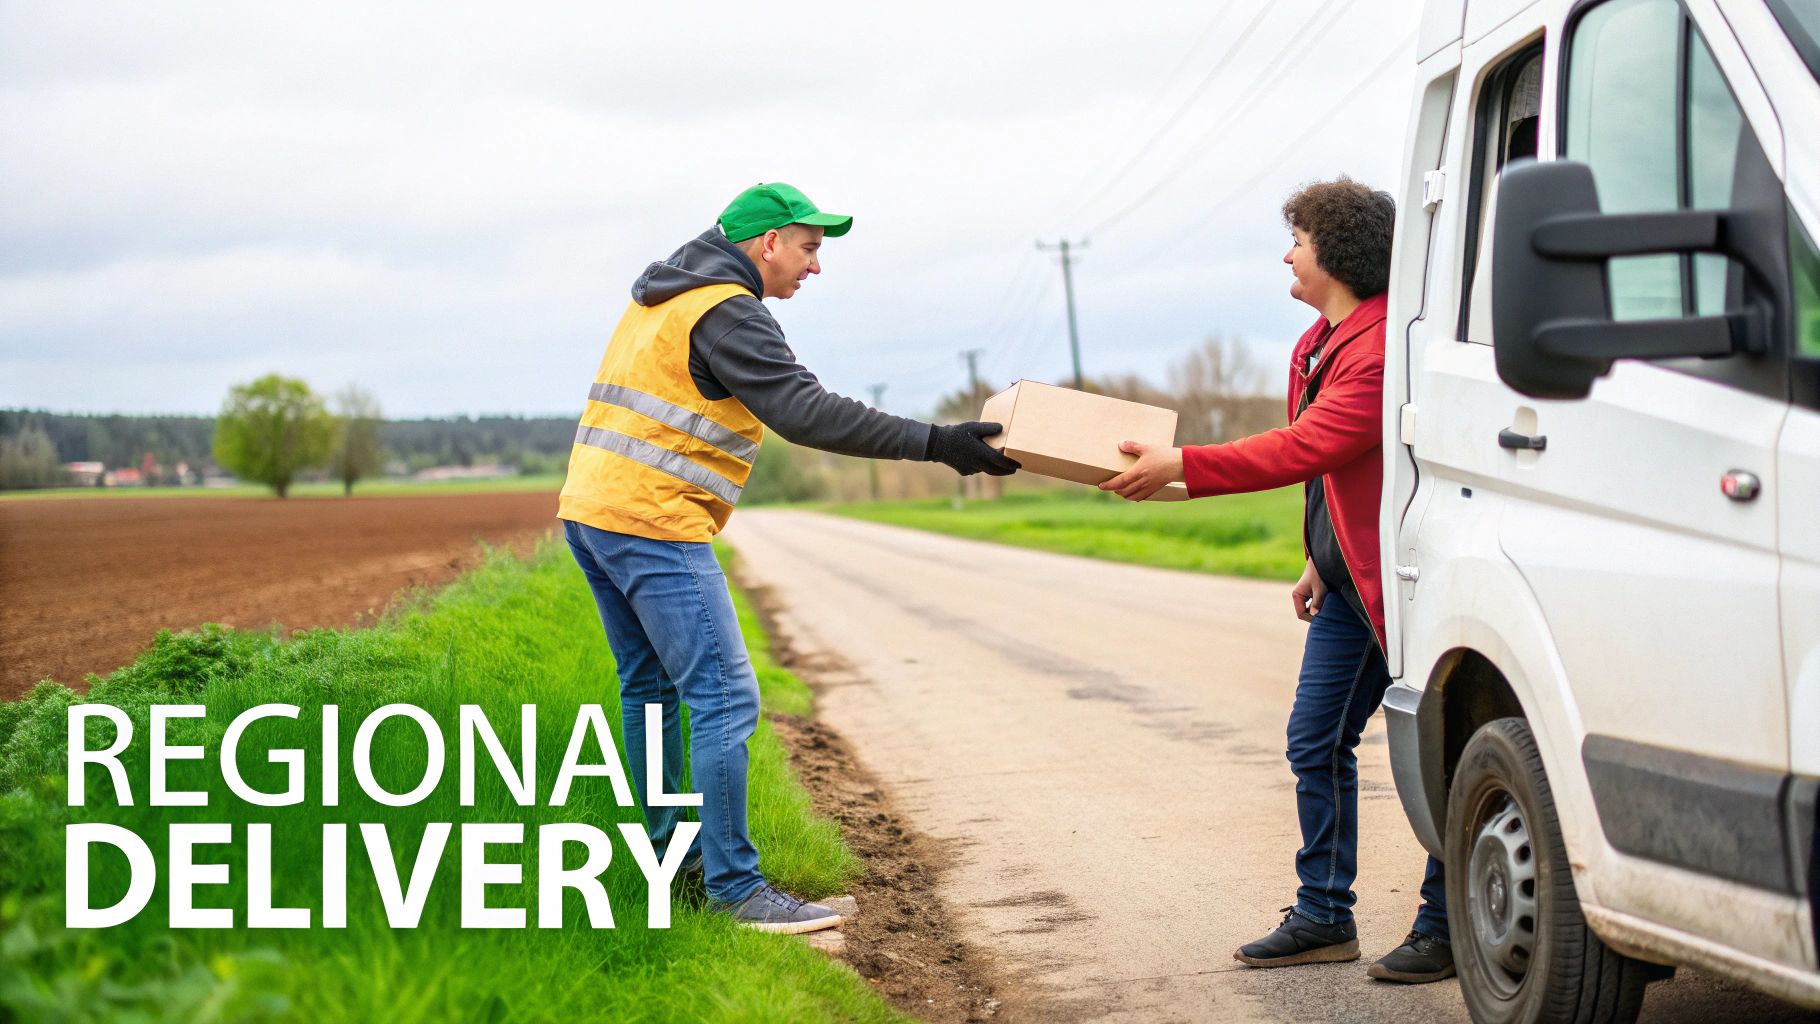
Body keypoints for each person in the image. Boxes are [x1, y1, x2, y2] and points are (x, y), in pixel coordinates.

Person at [557, 183, 1017, 935]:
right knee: (723, 696)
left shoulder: (664, 297)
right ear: (767, 242)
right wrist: (938, 443)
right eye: (808, 248)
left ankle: (676, 869)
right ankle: (736, 891)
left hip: (594, 512)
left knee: (649, 692)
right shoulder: (727, 309)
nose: (815, 266)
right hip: (653, 521)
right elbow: (806, 411)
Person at [1100, 177, 1452, 983]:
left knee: (1437, 750)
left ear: (1337, 254)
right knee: (1314, 741)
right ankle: (1325, 916)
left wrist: (1181, 466)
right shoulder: (1315, 343)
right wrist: (1316, 558)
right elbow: (1326, 468)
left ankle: (1445, 923)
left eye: (1297, 238)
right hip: (1347, 582)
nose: (1287, 252)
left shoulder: (1386, 346)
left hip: (1402, 586)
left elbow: (1306, 446)